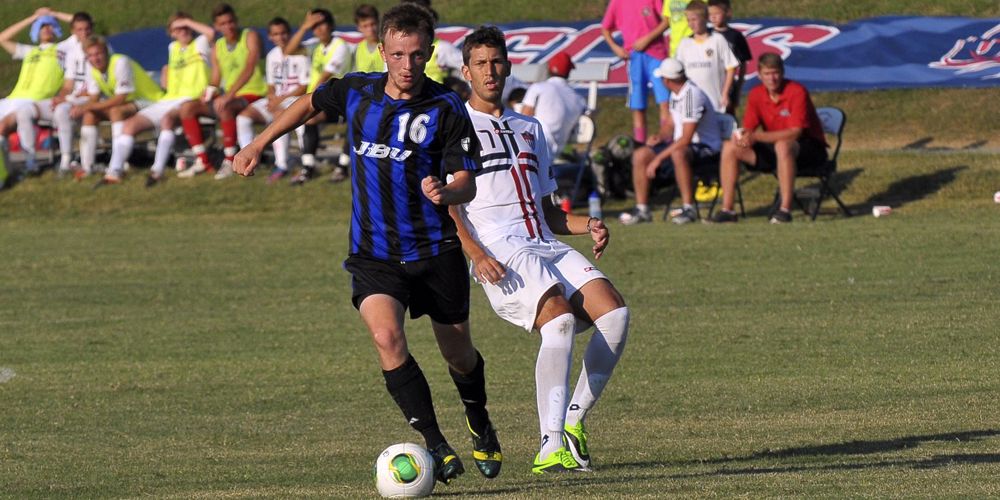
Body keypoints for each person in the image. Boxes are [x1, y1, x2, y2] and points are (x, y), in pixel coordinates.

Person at [232, 3, 501, 486]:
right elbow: (310, 104)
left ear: (430, 53)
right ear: (382, 51)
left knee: (458, 355)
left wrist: (449, 190)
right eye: (397, 54)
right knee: (386, 339)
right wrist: (259, 143)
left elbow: (468, 182)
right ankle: (436, 444)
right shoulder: (355, 90)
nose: (406, 65)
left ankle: (478, 417)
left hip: (436, 250)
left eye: (417, 55)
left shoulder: (446, 107)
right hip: (374, 254)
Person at [451, 25, 629, 474]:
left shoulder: (530, 127)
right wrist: (474, 252)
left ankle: (572, 423)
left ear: (509, 67)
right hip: (500, 249)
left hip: (543, 242)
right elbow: (444, 204)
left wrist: (586, 225)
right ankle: (550, 443)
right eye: (480, 64)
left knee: (616, 313)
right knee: (562, 321)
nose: (490, 71)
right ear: (466, 70)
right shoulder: (455, 126)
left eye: (497, 62)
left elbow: (550, 213)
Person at [709, 53, 828, 224]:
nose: (772, 78)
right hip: (775, 149)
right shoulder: (756, 94)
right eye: (767, 74)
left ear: (783, 73)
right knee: (730, 147)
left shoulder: (796, 91)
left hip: (808, 150)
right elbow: (749, 128)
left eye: (775, 73)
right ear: (759, 75)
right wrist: (743, 137)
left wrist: (755, 136)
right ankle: (728, 210)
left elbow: (796, 132)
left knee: (783, 146)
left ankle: (784, 210)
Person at [99, 12, 213, 187]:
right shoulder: (173, 48)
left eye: (185, 27)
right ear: (171, 33)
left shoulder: (200, 43)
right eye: (178, 28)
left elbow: (210, 33)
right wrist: (167, 76)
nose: (183, 30)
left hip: (191, 99)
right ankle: (114, 172)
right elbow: (169, 81)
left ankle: (157, 171)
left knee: (167, 120)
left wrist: (187, 21)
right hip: (168, 99)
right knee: (129, 125)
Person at [619, 58, 723, 225]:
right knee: (641, 154)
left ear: (666, 80)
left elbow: (686, 138)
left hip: (706, 148)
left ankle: (689, 208)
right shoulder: (676, 94)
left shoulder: (691, 94)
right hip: (684, 145)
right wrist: (660, 136)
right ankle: (643, 209)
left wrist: (658, 159)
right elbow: (671, 124)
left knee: (678, 153)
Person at [176, 3, 267, 180]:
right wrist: (209, 91)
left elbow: (249, 67)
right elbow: (216, 77)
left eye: (231, 21)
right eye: (223, 24)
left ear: (236, 21)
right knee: (188, 108)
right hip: (231, 96)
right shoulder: (218, 45)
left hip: (253, 93)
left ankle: (230, 159)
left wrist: (228, 96)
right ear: (217, 26)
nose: (228, 26)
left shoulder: (249, 36)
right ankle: (203, 160)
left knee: (224, 107)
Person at [70, 36, 164, 178]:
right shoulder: (93, 69)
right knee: (91, 114)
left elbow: (121, 98)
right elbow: (94, 98)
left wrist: (87, 107)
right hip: (131, 102)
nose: (95, 59)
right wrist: (83, 108)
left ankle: (119, 163)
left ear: (106, 52)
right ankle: (87, 166)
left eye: (98, 54)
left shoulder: (120, 61)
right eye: (90, 55)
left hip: (151, 100)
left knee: (116, 111)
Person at [235, 17, 309, 183]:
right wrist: (271, 97)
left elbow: (304, 86)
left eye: (283, 33)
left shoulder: (301, 52)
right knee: (243, 116)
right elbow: (270, 84)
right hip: (277, 99)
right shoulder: (272, 55)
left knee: (279, 116)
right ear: (270, 37)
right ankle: (249, 159)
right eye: (275, 34)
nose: (280, 37)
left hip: (296, 99)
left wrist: (279, 100)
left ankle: (282, 163)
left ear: (289, 33)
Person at [283, 8, 352, 185]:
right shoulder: (316, 46)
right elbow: (288, 51)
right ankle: (308, 167)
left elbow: (325, 77)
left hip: (340, 99)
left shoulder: (340, 46)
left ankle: (342, 167)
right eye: (315, 27)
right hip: (322, 99)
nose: (318, 30)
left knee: (353, 120)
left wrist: (309, 101)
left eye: (321, 25)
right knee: (307, 120)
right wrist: (304, 27)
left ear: (330, 26)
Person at [0, 8, 66, 176]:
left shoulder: (63, 50)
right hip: (11, 99)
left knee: (2, 127)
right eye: (42, 25)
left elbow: (84, 27)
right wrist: (32, 18)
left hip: (32, 102)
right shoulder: (30, 51)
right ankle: (8, 170)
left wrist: (55, 14)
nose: (46, 28)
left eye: (50, 25)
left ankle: (27, 165)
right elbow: (3, 38)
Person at [601, 0, 671, 146]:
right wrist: (616, 48)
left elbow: (666, 21)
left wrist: (647, 39)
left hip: (656, 55)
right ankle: (639, 145)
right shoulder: (617, 2)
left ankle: (667, 140)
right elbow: (605, 28)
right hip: (634, 58)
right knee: (638, 105)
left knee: (665, 101)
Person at [51, 11, 96, 176]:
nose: (84, 33)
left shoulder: (99, 48)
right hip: (76, 98)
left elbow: (101, 83)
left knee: (70, 111)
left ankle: (86, 162)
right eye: (80, 30)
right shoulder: (73, 51)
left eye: (87, 29)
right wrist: (62, 97)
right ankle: (66, 158)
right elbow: (68, 83)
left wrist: (79, 98)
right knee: (61, 109)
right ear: (73, 31)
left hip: (95, 96)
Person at [520, 52, 587, 159]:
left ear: (549, 69)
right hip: (553, 153)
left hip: (532, 146)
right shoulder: (579, 99)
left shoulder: (538, 88)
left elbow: (522, 120)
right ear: (569, 72)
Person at [675, 0, 738, 113]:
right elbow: (679, 74)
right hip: (692, 104)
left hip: (716, 103)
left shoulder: (718, 40)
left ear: (705, 18)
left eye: (694, 19)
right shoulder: (684, 44)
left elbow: (731, 67)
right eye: (688, 20)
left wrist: (725, 93)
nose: (691, 23)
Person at [708, 0, 751, 115]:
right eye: (710, 14)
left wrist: (738, 88)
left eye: (717, 13)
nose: (713, 17)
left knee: (728, 117)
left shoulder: (735, 36)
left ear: (728, 13)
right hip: (709, 83)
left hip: (728, 84)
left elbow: (742, 64)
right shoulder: (706, 35)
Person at [353, 4, 384, 73]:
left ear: (379, 23)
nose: (370, 29)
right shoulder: (357, 49)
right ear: (359, 28)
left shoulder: (387, 46)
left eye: (373, 24)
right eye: (365, 26)